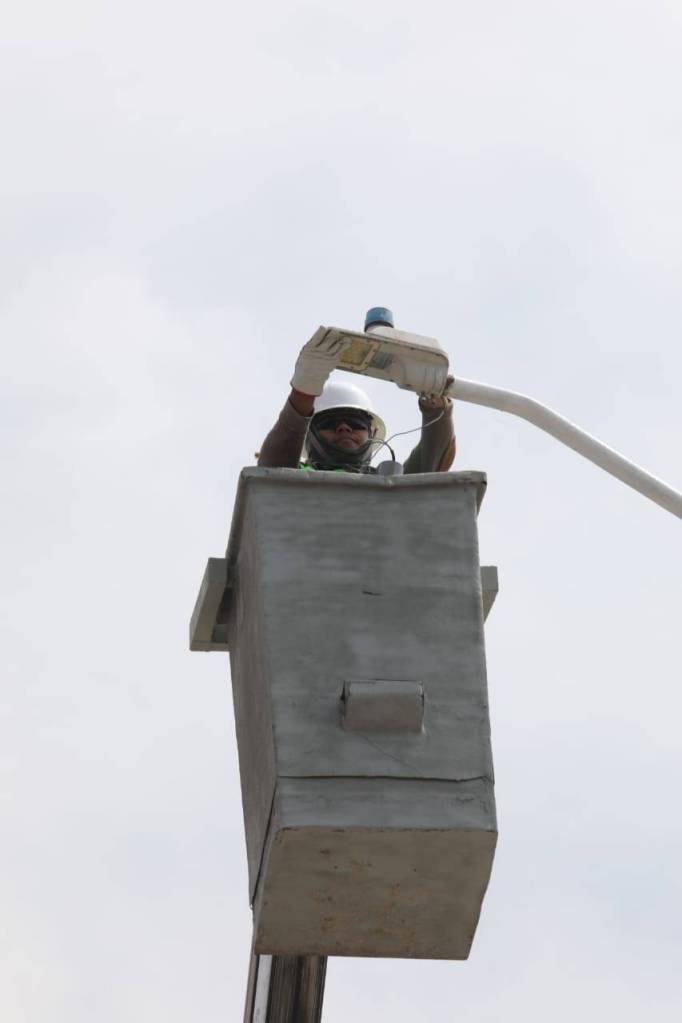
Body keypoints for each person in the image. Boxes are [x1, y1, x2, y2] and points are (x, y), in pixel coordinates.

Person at [257, 331, 455, 473]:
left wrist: (436, 406)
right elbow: (271, 472)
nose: (344, 428)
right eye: (330, 423)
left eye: (356, 423)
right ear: (309, 436)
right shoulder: (294, 477)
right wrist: (305, 389)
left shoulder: (390, 487)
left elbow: (432, 459)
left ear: (372, 433)